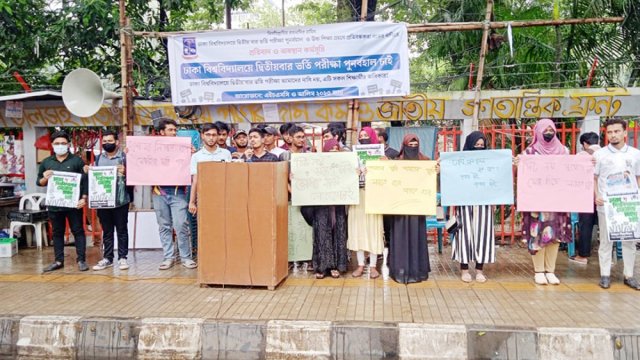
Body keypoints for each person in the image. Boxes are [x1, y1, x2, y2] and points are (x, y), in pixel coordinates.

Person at [518, 119, 571, 285]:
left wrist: (588, 163)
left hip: (557, 201)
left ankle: (551, 271)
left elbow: (573, 171)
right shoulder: (529, 153)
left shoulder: (564, 151)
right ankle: (539, 271)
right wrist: (519, 164)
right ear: (538, 132)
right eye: (545, 129)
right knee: (538, 235)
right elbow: (522, 176)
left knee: (554, 236)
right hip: (537, 202)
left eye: (551, 129)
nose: (548, 132)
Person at [594, 119, 640, 290]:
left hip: (628, 204)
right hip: (607, 204)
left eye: (616, 131)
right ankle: (605, 275)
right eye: (610, 132)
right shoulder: (600, 155)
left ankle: (629, 275)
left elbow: (637, 177)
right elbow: (595, 177)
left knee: (629, 240)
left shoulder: (635, 154)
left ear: (624, 132)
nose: (613, 135)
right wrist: (596, 195)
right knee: (606, 241)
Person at [37, 130, 89, 272]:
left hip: (73, 205)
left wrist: (84, 198)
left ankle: (81, 260)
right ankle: (58, 261)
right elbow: (39, 182)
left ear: (68, 144)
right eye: (57, 143)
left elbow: (85, 181)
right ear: (52, 145)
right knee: (57, 233)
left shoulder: (77, 161)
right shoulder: (47, 162)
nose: (60, 145)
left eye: (63, 143)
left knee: (78, 231)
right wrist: (45, 178)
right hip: (55, 205)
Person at [153, 118, 197, 270]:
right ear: (161, 132)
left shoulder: (184, 148)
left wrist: (192, 154)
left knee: (180, 225)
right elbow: (140, 163)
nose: (174, 133)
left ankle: (185, 257)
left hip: (178, 192)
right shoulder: (151, 148)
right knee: (164, 226)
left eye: (175, 130)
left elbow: (193, 167)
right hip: (159, 191)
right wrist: (132, 154)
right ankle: (168, 257)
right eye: (170, 130)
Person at [452, 131, 496, 282]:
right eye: (476, 145)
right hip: (465, 204)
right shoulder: (460, 162)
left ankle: (479, 270)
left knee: (482, 235)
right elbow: (453, 178)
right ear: (470, 145)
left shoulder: (489, 162)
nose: (479, 148)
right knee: (465, 235)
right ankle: (464, 270)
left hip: (484, 203)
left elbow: (495, 179)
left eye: (482, 145)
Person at [388, 134, 431, 283]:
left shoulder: (425, 161)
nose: (412, 148)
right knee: (400, 238)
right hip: (400, 208)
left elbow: (430, 181)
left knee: (416, 237)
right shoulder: (396, 162)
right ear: (404, 145)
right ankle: (399, 270)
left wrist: (435, 172)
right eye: (410, 145)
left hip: (417, 208)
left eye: (415, 145)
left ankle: (417, 271)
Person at [89, 130, 131, 271]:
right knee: (107, 231)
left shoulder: (125, 158)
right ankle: (108, 258)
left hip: (120, 200)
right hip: (103, 201)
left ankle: (123, 257)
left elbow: (135, 178)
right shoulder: (98, 159)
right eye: (105, 142)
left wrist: (126, 173)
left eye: (110, 141)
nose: (107, 144)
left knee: (122, 230)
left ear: (117, 142)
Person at [348, 127, 384, 279]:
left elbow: (386, 176)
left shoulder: (381, 155)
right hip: (356, 196)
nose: (363, 138)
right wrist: (352, 172)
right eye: (361, 136)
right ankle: (361, 264)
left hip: (374, 195)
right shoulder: (351, 156)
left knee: (374, 230)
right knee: (358, 229)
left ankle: (374, 266)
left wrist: (383, 165)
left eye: (366, 135)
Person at [310, 139, 349, 279]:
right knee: (322, 233)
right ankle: (321, 266)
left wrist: (355, 173)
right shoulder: (317, 166)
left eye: (336, 149)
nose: (333, 152)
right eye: (330, 150)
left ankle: (336, 266)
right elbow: (309, 179)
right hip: (321, 206)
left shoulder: (345, 166)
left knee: (338, 232)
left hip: (337, 206)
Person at [570, 132, 601, 264]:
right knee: (605, 227)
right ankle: (609, 258)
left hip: (586, 196)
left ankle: (583, 256)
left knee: (585, 226)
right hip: (603, 196)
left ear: (584, 143)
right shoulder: (605, 154)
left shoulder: (581, 156)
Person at [189, 123, 232, 216]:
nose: (211, 138)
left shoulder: (226, 154)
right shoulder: (196, 156)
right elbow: (195, 181)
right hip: (204, 197)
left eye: (214, 135)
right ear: (202, 136)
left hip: (224, 197)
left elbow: (230, 178)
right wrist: (192, 202)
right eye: (208, 135)